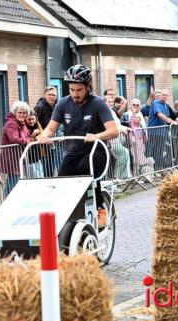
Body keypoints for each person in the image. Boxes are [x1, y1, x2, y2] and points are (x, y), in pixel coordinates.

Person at [38, 64, 118, 228]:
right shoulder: (63, 103)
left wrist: (97, 136)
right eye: (72, 89)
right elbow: (51, 128)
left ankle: (100, 208)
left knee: (85, 168)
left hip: (97, 151)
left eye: (79, 90)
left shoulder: (98, 104)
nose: (75, 94)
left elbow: (113, 131)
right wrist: (43, 136)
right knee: (62, 181)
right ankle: (69, 216)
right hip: (73, 152)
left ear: (88, 87)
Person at [0, 101, 31, 198]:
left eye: (24, 113)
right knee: (13, 181)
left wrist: (28, 139)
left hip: (18, 156)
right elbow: (14, 139)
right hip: (12, 157)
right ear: (15, 112)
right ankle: (8, 202)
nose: (22, 114)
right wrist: (27, 141)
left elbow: (27, 136)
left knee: (13, 180)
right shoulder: (12, 123)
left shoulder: (22, 123)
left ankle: (7, 202)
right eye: (20, 112)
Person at [25, 110, 45, 178]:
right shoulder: (24, 127)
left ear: (36, 118)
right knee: (33, 178)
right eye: (29, 119)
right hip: (29, 158)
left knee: (40, 176)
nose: (31, 121)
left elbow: (42, 134)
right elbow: (26, 140)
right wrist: (33, 135)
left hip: (37, 156)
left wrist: (39, 137)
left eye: (33, 119)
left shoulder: (38, 125)